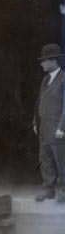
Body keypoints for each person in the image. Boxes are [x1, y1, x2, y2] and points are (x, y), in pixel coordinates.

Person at [33, 43, 65, 202]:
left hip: (57, 128)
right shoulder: (45, 80)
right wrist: (35, 121)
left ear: (54, 61)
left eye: (44, 60)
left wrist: (62, 127)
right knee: (45, 158)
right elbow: (39, 101)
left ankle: (63, 191)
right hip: (44, 126)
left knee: (61, 160)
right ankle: (48, 189)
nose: (42, 63)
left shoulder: (63, 79)